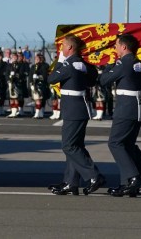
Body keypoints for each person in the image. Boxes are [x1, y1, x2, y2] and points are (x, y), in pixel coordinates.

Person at [98, 33, 141, 197]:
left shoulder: (124, 63)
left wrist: (110, 66)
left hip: (126, 107)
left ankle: (132, 178)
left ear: (124, 47)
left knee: (115, 143)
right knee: (128, 144)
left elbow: (104, 80)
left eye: (117, 45)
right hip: (138, 106)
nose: (115, 48)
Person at [46, 34, 106, 196]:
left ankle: (94, 176)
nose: (61, 49)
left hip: (74, 110)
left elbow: (51, 78)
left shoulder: (70, 65)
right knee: (75, 146)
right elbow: (92, 78)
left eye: (63, 46)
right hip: (79, 108)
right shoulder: (82, 64)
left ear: (70, 48)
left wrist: (59, 61)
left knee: (69, 146)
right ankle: (70, 182)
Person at [29, 52, 50, 119]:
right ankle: (39, 113)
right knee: (36, 99)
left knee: (39, 99)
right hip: (34, 84)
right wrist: (31, 83)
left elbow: (45, 75)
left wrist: (38, 77)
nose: (36, 60)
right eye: (36, 59)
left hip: (40, 84)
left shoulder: (44, 66)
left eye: (38, 59)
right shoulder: (33, 66)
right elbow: (30, 76)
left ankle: (37, 113)